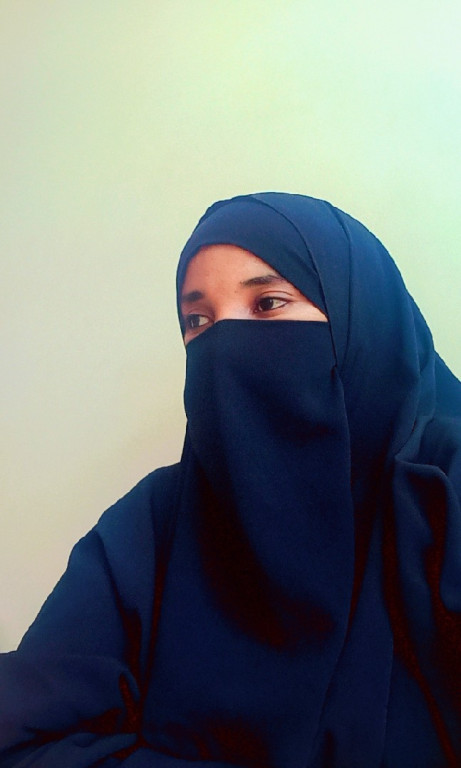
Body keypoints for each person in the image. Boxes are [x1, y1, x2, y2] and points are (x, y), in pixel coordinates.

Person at [0, 192, 460, 767]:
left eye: (268, 303)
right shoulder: (153, 525)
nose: (225, 345)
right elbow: (21, 735)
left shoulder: (443, 493)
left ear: (360, 317)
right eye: (198, 321)